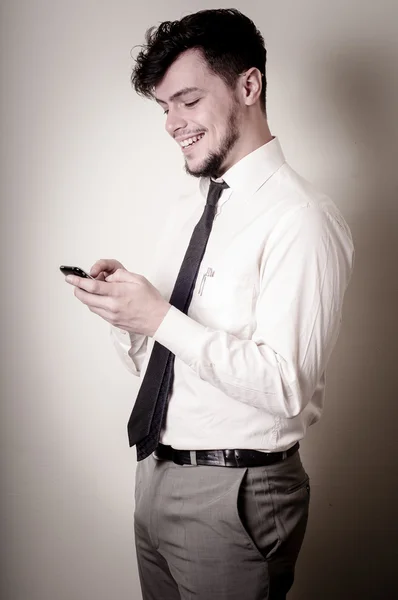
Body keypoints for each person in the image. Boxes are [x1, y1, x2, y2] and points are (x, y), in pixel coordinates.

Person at [65, 8, 354, 600]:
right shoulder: (190, 208)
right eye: (165, 107)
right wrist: (128, 315)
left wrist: (159, 317)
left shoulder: (302, 220)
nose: (173, 123)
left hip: (237, 493)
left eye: (188, 101)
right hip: (155, 474)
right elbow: (164, 361)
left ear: (249, 86)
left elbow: (285, 386)